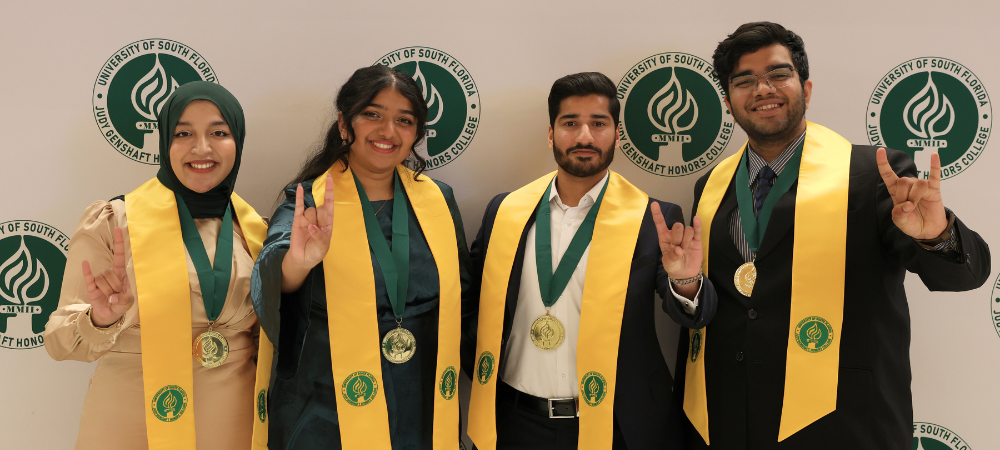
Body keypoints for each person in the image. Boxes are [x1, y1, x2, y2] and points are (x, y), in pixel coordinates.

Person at [674, 22, 992, 449]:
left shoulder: (873, 174)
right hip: (730, 420)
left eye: (778, 75)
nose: (762, 89)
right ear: (729, 104)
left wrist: (936, 233)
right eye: (744, 81)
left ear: (806, 88)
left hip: (842, 424)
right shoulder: (711, 186)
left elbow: (962, 277)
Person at [464, 72, 717, 450]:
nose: (585, 137)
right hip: (517, 423)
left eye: (598, 124)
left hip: (618, 423)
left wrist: (685, 281)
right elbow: (468, 303)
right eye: (570, 123)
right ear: (551, 134)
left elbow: (693, 315)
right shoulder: (504, 211)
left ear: (616, 134)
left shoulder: (653, 218)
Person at [251, 65, 471, 450]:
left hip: (421, 394)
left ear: (417, 133)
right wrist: (300, 263)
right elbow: (275, 274)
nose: (388, 131)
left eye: (404, 120)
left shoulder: (439, 199)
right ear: (344, 123)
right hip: (329, 396)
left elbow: (465, 295)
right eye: (373, 115)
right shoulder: (309, 201)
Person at [44, 81, 268, 450]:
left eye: (218, 132)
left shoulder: (256, 231)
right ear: (164, 141)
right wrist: (101, 318)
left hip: (232, 418)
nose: (202, 148)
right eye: (184, 133)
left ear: (237, 141)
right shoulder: (114, 221)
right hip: (132, 416)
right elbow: (59, 343)